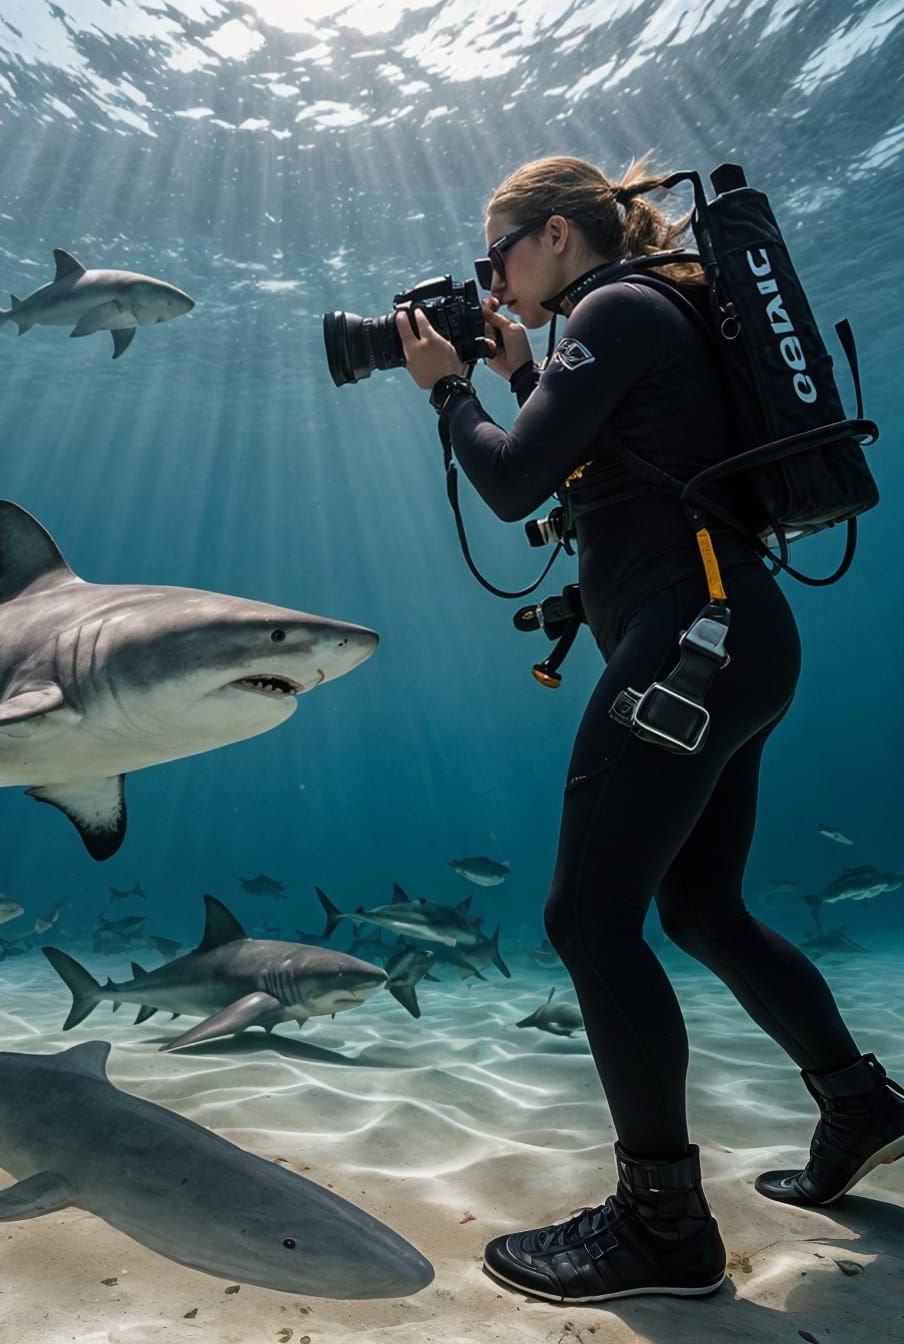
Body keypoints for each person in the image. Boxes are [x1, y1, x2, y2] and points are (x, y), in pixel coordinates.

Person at [396, 155, 904, 1305]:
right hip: (736, 641)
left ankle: (661, 1226)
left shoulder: (619, 305)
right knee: (701, 906)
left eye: (499, 254)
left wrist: (445, 389)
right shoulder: (647, 311)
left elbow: (518, 482)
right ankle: (860, 1104)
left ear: (562, 236)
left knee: (589, 917)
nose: (489, 278)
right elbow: (613, 480)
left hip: (693, 645)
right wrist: (526, 371)